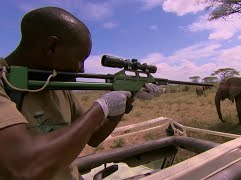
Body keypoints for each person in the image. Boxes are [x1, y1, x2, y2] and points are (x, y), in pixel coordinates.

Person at [0, 7, 163, 180]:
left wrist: (123, 102)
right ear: (51, 47)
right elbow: (21, 168)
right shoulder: (7, 83)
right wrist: (101, 107)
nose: (82, 69)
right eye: (79, 59)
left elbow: (93, 137)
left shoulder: (54, 82)